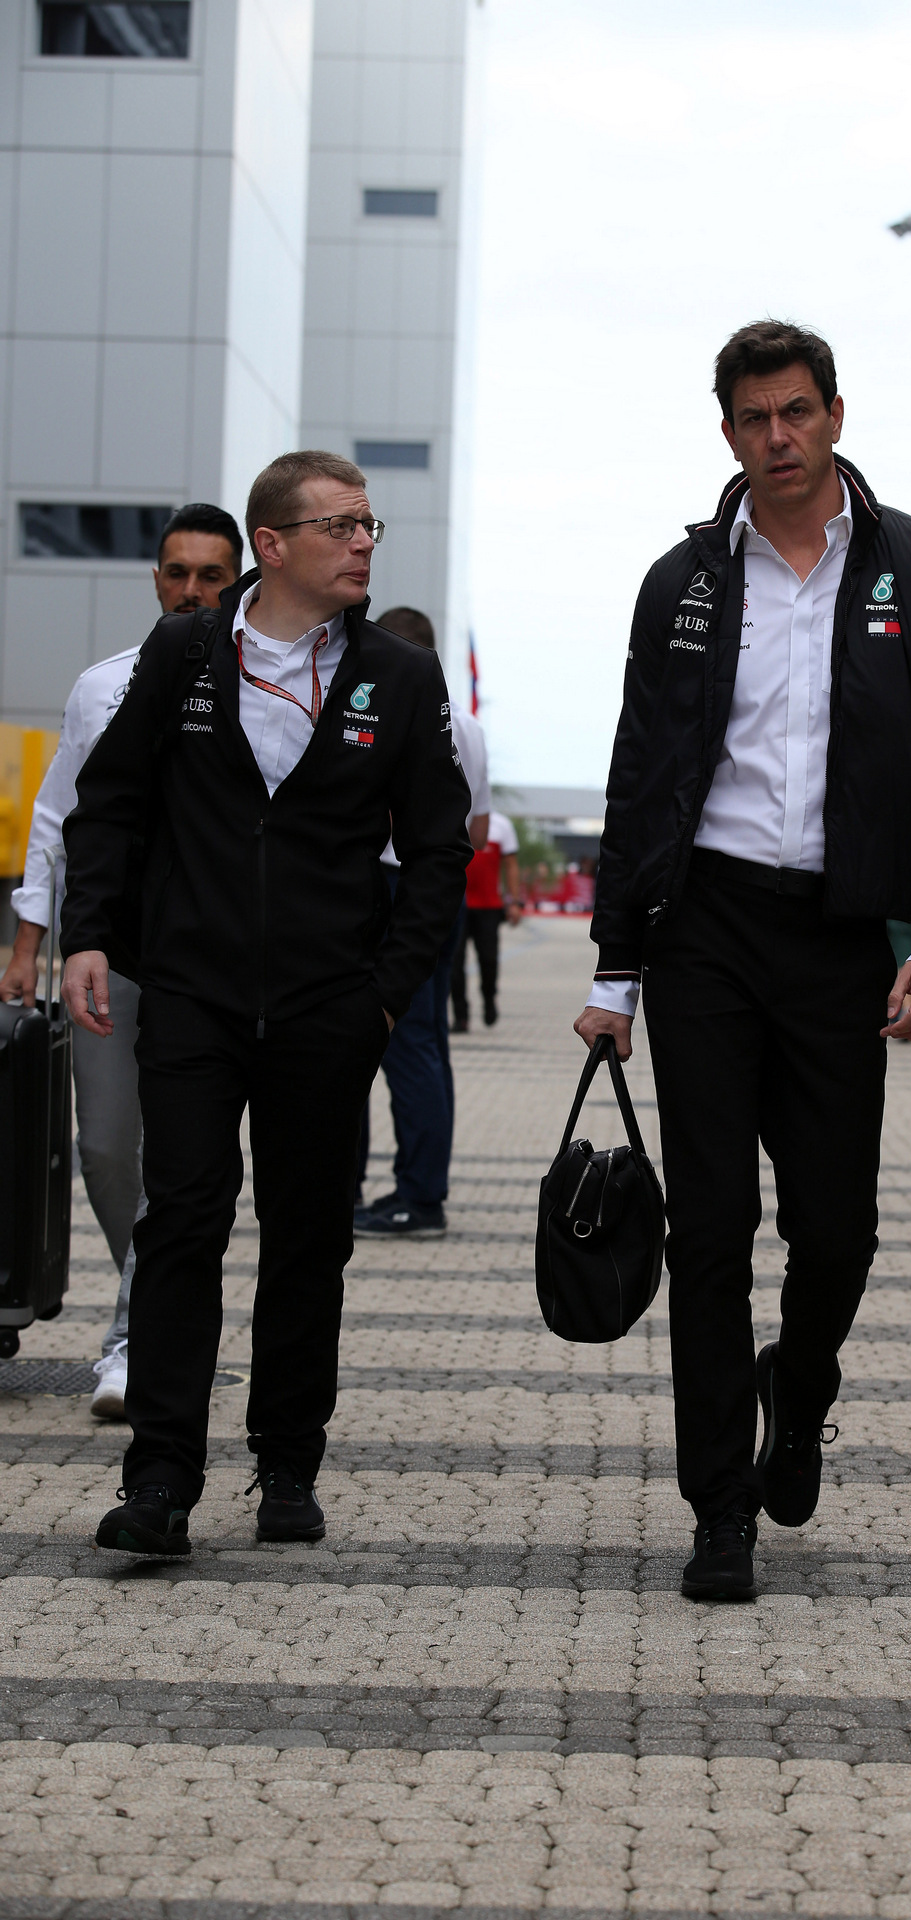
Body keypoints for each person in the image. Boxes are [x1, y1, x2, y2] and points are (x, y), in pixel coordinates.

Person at [574, 321, 911, 1602]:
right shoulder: (687, 581)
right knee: (709, 1229)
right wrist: (613, 968)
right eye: (754, 418)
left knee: (839, 1231)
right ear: (727, 433)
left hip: (834, 939)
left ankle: (795, 1398)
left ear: (835, 415)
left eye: (797, 412)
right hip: (704, 930)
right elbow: (642, 770)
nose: (778, 438)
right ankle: (718, 1512)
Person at [60, 450, 472, 1557]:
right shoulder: (187, 650)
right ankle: (159, 1480)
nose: (365, 543)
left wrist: (384, 996)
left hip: (328, 1008)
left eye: (371, 525)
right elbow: (109, 805)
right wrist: (89, 933)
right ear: (275, 544)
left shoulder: (397, 673)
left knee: (306, 1241)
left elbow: (440, 851)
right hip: (190, 996)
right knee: (182, 1224)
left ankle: (288, 1462)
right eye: (342, 526)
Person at [0, 503, 243, 1419]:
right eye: (176, 572)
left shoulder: (257, 684)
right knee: (103, 1148)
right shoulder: (101, 688)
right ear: (155, 579)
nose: (190, 590)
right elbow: (57, 820)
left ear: (236, 581)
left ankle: (136, 1338)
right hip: (106, 954)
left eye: (209, 575)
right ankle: (153, 1309)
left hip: (207, 963)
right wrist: (29, 942)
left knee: (183, 1155)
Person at [353, 604, 491, 1239]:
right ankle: (422, 1186)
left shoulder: (377, 704)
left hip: (390, 885)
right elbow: (480, 826)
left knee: (384, 1041)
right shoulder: (467, 725)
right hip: (446, 889)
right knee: (428, 1044)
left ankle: (413, 1196)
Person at [451, 809, 521, 1030]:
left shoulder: (501, 825)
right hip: (455, 904)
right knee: (454, 962)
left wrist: (514, 902)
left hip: (489, 906)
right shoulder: (451, 816)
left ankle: (489, 999)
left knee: (488, 960)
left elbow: (510, 865)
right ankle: (460, 1016)